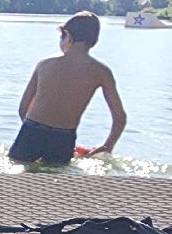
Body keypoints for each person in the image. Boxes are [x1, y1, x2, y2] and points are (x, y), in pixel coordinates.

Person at [8, 11, 125, 164]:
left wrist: (34, 133)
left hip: (31, 131)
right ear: (94, 41)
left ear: (68, 36)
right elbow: (120, 118)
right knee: (57, 182)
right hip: (63, 138)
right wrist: (107, 146)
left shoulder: (45, 64)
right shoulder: (102, 72)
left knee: (15, 177)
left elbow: (23, 108)